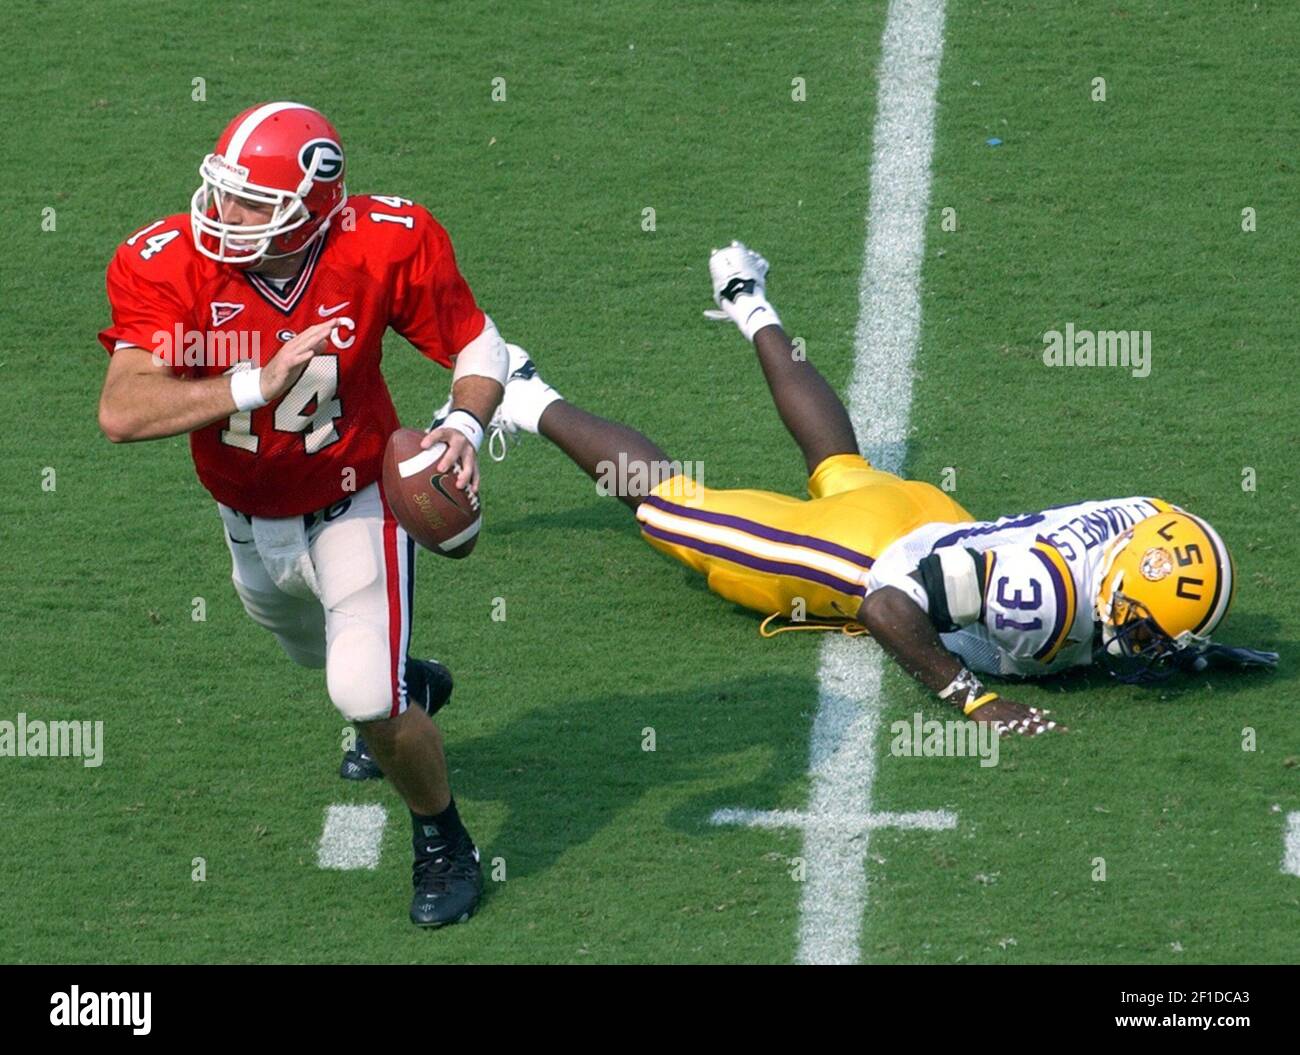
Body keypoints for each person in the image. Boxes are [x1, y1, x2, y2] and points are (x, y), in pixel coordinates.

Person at [468, 243, 1272, 735]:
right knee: (673, 506)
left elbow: (1143, 598)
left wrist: (1195, 645)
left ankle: (747, 293)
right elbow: (890, 606)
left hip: (929, 516)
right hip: (872, 558)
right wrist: (972, 700)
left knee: (838, 464)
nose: (1148, 649)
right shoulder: (1044, 599)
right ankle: (526, 389)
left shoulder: (1149, 522)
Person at [96, 101, 503, 926]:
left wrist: (463, 422)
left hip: (355, 501)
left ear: (312, 205)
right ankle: (408, 680)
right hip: (246, 518)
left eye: (251, 202)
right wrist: (255, 381)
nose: (223, 214)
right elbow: (122, 408)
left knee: (360, 691)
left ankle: (443, 841)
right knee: (318, 656)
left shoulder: (384, 240)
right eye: (222, 191)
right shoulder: (169, 261)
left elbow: (478, 342)